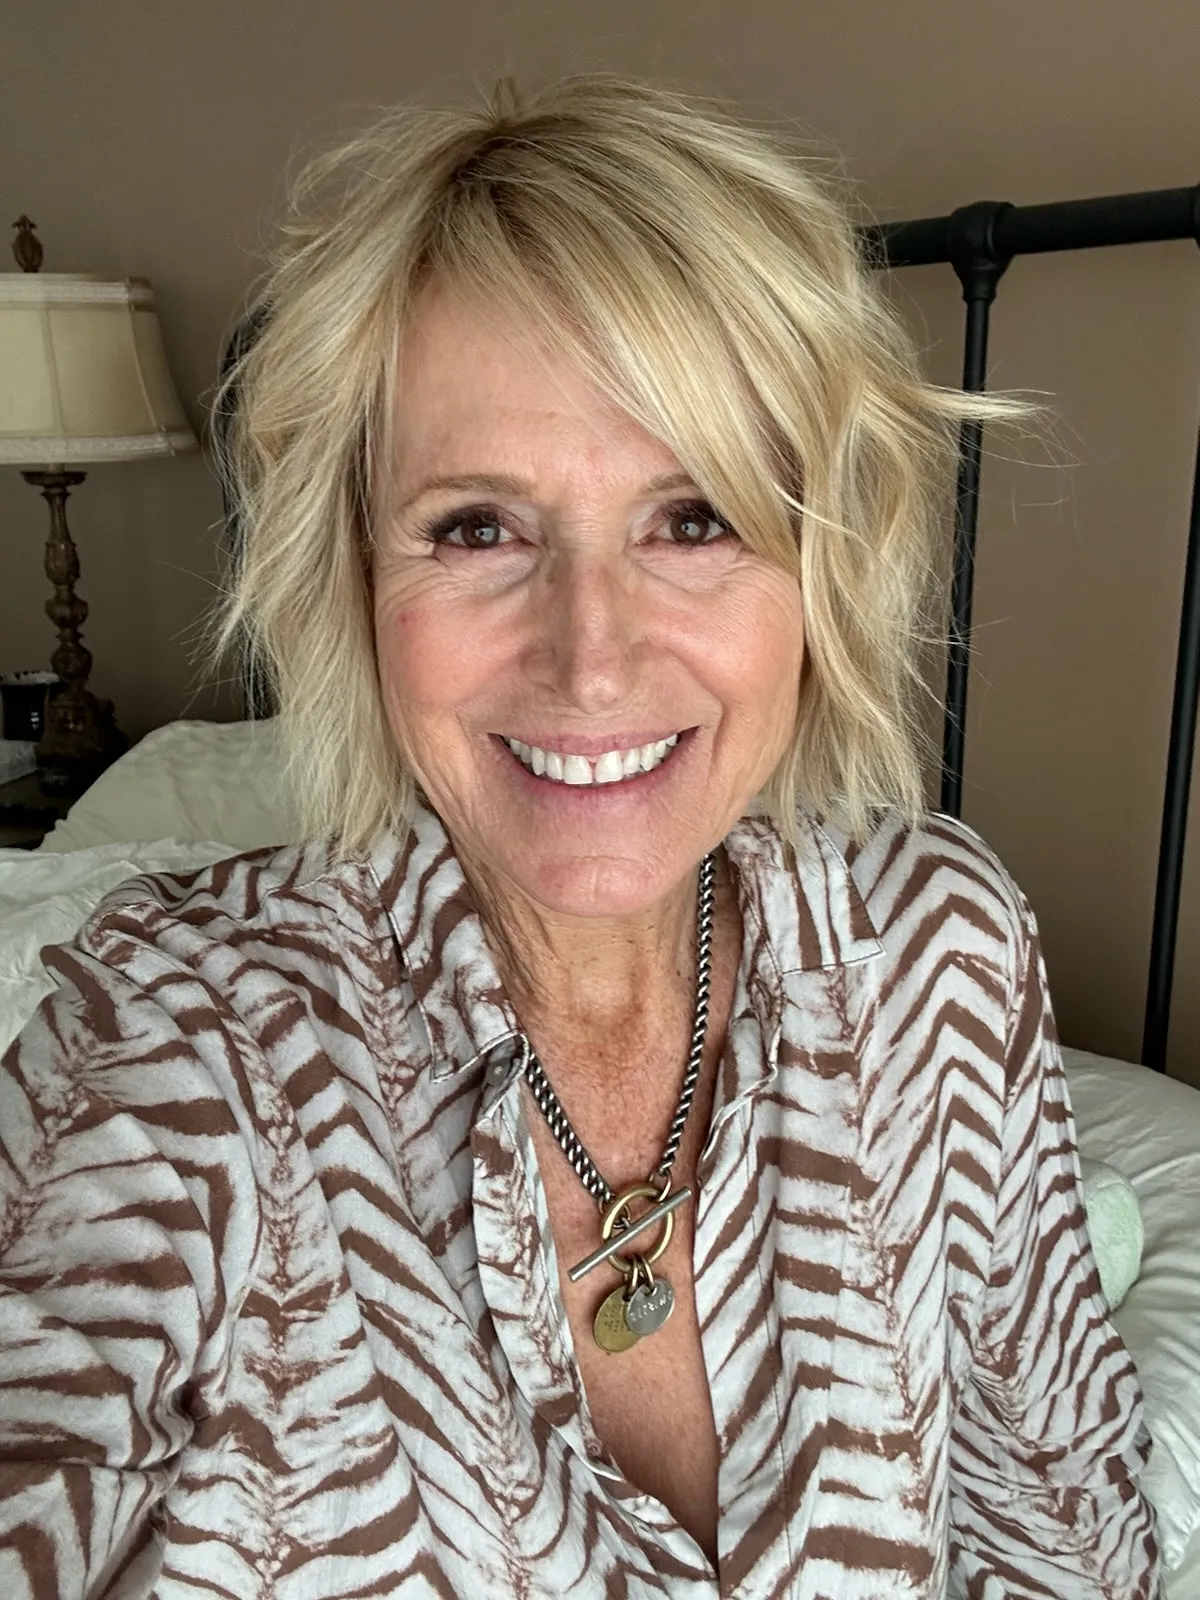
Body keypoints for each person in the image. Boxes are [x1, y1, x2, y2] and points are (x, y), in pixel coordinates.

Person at [0, 75, 1161, 1599]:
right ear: (353, 578)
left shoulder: (937, 945)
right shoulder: (169, 1049)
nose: (592, 660)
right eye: (477, 527)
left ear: (821, 567)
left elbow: (1067, 1542)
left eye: (696, 517)